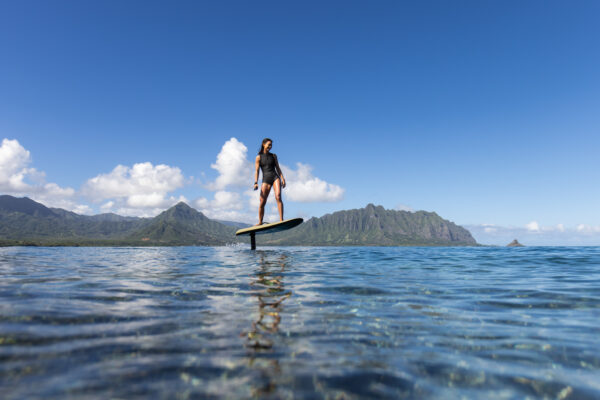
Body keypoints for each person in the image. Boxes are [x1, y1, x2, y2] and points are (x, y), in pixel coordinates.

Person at [254, 138, 286, 225]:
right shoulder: (258, 157)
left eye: (271, 145)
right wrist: (256, 182)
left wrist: (282, 179)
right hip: (266, 179)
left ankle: (281, 220)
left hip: (275, 177)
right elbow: (257, 170)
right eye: (269, 144)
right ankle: (260, 222)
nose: (270, 146)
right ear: (263, 144)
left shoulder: (274, 156)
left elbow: (278, 168)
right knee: (262, 201)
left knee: (278, 196)